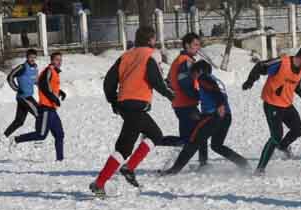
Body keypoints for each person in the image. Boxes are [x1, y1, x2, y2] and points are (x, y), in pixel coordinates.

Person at [89, 26, 175, 198]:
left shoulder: (126, 55)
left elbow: (109, 81)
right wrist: (171, 95)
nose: (155, 41)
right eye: (154, 38)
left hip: (125, 105)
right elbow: (156, 80)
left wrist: (113, 101)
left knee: (154, 134)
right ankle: (101, 182)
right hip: (137, 106)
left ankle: (127, 168)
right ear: (151, 39)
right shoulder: (151, 54)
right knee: (125, 147)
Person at [160, 60, 250, 175]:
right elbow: (213, 92)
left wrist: (220, 105)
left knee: (193, 141)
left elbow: (215, 91)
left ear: (199, 71)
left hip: (214, 116)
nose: (193, 77)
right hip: (226, 116)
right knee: (217, 145)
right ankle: (243, 163)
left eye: (193, 74)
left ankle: (174, 170)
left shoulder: (203, 78)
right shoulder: (214, 79)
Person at [242, 45, 301, 175]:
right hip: (272, 104)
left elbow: (298, 86)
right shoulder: (282, 62)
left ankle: (282, 147)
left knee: (298, 130)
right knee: (276, 135)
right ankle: (260, 169)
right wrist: (250, 81)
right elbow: (260, 66)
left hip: (286, 105)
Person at [9, 52, 66, 162]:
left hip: (52, 109)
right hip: (46, 108)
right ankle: (16, 139)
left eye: (60, 60)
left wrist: (60, 92)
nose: (59, 62)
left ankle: (60, 160)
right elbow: (44, 86)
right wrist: (54, 98)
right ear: (52, 60)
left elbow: (50, 87)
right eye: (57, 60)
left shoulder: (54, 72)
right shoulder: (48, 70)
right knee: (41, 135)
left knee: (59, 134)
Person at [165, 32, 208, 168]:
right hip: (186, 104)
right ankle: (203, 164)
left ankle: (153, 140)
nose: (198, 47)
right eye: (195, 44)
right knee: (200, 133)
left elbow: (169, 81)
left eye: (198, 44)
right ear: (187, 45)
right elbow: (184, 83)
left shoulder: (182, 60)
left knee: (188, 138)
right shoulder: (185, 61)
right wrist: (198, 95)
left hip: (182, 103)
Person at [0, 49, 39, 150]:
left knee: (19, 121)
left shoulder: (35, 68)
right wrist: (16, 88)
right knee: (40, 114)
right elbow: (10, 77)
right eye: (30, 57)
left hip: (27, 97)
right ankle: (38, 139)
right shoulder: (22, 67)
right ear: (27, 57)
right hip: (24, 97)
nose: (32, 59)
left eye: (34, 57)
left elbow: (35, 81)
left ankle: (2, 138)